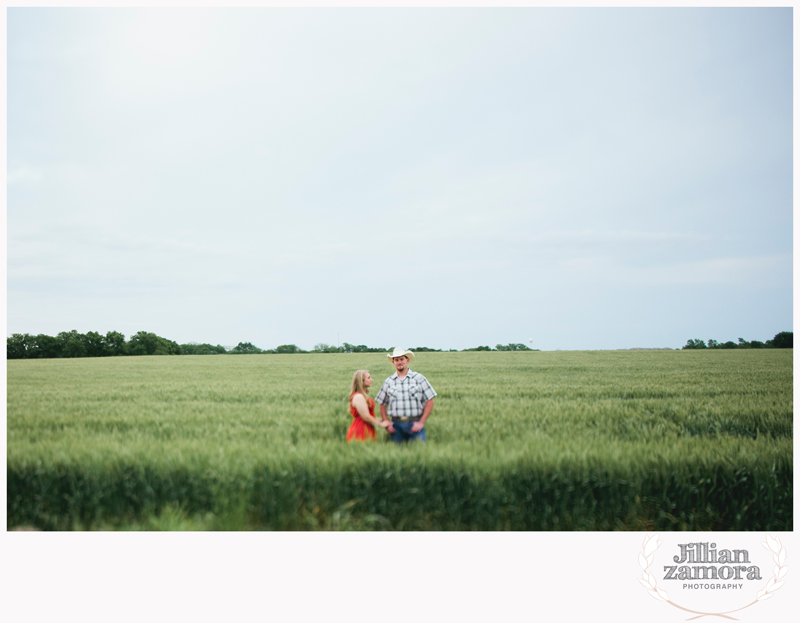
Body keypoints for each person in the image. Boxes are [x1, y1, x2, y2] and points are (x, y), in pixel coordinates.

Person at [375, 348, 437, 443]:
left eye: (401, 359)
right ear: (393, 362)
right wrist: (386, 422)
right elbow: (382, 404)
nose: (399, 362)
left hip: (415, 424)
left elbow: (430, 400)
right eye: (396, 360)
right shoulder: (388, 381)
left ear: (407, 360)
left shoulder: (419, 379)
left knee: (419, 455)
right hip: (395, 425)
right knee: (397, 455)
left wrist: (421, 422)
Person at [347, 370, 389, 443]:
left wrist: (382, 420)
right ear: (362, 381)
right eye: (369, 378)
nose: (371, 379)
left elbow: (369, 415)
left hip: (368, 428)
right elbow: (366, 417)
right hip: (361, 430)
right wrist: (381, 424)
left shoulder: (363, 395)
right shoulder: (359, 397)